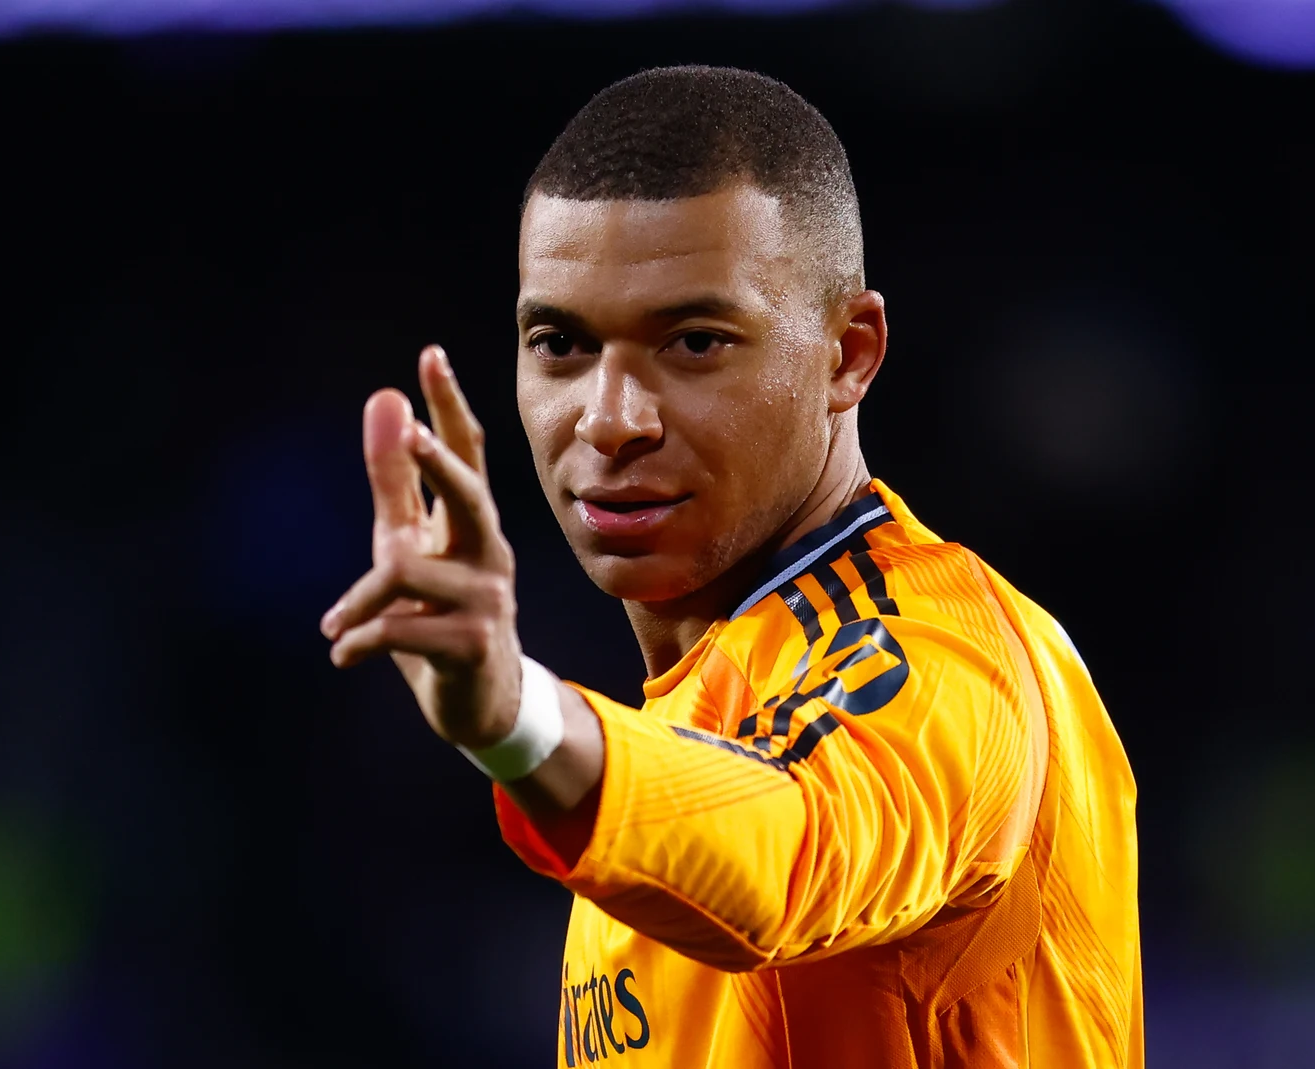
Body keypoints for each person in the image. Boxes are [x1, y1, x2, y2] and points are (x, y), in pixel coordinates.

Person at [321, 65, 1141, 1068]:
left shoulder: (934, 657)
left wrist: (514, 716)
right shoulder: (680, 723)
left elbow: (793, 848)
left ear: (847, 354)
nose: (611, 419)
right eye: (561, 344)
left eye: (695, 341)